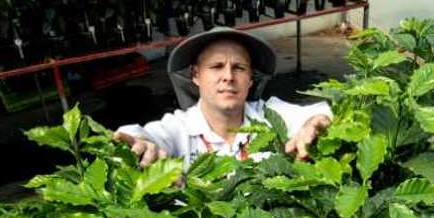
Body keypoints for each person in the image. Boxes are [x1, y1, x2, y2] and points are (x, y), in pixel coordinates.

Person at [113, 28, 332, 168]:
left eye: (239, 68)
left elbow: (317, 112)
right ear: (196, 75)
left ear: (250, 79)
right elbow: (146, 135)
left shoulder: (269, 115)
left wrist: (313, 124)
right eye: (216, 66)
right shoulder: (180, 128)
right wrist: (141, 144)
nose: (228, 77)